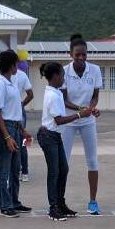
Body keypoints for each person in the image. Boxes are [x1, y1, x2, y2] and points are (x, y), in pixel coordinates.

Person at [36, 61, 85, 220]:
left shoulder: (55, 91)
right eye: (62, 75)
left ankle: (60, 203)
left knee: (63, 169)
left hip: (54, 136)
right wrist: (79, 115)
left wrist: (81, 109)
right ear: (56, 76)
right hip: (49, 135)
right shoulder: (52, 95)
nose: (64, 78)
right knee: (55, 172)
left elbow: (64, 103)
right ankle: (53, 207)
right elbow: (58, 120)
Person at [60, 34, 102, 214]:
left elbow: (95, 95)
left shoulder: (95, 70)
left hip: (87, 121)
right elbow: (64, 99)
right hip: (68, 121)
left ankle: (93, 201)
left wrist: (91, 109)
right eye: (77, 55)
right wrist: (80, 110)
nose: (81, 58)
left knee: (92, 161)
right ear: (70, 54)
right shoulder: (63, 71)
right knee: (63, 161)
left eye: (84, 54)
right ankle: (58, 200)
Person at [0, 50, 33, 216]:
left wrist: (22, 130)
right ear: (10, 65)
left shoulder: (11, 81)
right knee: (5, 169)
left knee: (16, 167)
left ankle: (14, 201)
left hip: (15, 126)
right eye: (16, 63)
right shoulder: (0, 83)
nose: (18, 66)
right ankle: (5, 204)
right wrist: (7, 136)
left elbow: (14, 109)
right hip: (7, 128)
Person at [12, 56, 34, 181]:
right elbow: (30, 95)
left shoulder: (1, 75)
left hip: (8, 112)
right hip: (20, 111)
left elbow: (31, 95)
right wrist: (21, 105)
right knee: (22, 142)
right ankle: (24, 172)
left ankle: (17, 171)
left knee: (10, 141)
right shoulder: (22, 75)